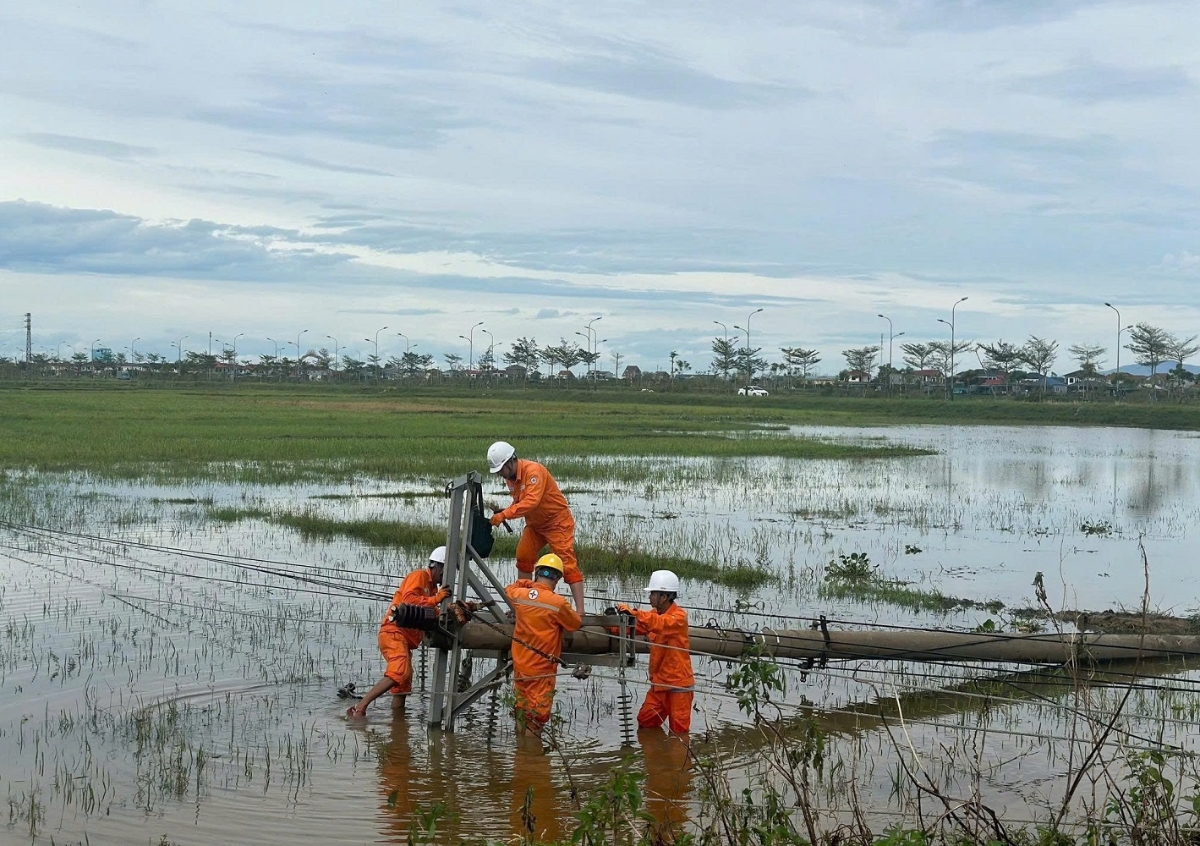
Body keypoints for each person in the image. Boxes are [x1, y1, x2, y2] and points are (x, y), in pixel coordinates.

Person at [348, 546, 450, 718]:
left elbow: (429, 611)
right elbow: (408, 599)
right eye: (445, 571)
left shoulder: (433, 590)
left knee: (402, 684)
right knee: (399, 672)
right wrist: (435, 599)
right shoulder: (420, 576)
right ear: (438, 566)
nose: (444, 577)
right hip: (393, 633)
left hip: (404, 639)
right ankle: (359, 708)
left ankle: (398, 725)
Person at [488, 440, 586, 615]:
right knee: (523, 554)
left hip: (557, 522)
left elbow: (531, 502)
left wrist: (504, 515)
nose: (500, 475)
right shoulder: (511, 479)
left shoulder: (534, 472)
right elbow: (519, 502)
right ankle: (524, 604)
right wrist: (507, 510)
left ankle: (580, 611)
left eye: (501, 470)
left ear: (511, 461)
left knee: (568, 564)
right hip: (535, 526)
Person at [505, 553, 582, 735]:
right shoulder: (558, 603)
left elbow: (509, 589)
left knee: (521, 712)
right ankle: (532, 760)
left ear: (537, 572)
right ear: (557, 579)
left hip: (521, 667)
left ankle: (520, 756)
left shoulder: (519, 595)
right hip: (541, 671)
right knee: (536, 719)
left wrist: (528, 585)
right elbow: (575, 623)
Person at [617, 570, 695, 734]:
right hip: (659, 684)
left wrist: (635, 612)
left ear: (664, 597)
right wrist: (614, 622)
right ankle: (655, 756)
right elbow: (635, 627)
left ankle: (678, 758)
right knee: (645, 723)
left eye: (652, 593)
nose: (649, 597)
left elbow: (659, 624)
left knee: (679, 733)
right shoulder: (653, 615)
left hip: (678, 686)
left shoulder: (678, 617)